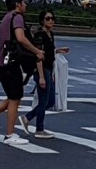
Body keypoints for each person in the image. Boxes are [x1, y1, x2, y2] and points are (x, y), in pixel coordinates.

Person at [0, 0, 41, 145]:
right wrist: (37, 51)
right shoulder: (17, 17)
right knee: (15, 98)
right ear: (17, 4)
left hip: (1, 64)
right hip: (9, 65)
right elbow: (21, 38)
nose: (26, 5)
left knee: (13, 97)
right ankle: (9, 135)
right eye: (24, 2)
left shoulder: (7, 17)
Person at [22, 10, 69, 138]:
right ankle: (39, 129)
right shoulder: (39, 35)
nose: (51, 20)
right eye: (48, 18)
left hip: (49, 69)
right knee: (44, 101)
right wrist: (41, 76)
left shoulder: (50, 34)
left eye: (52, 18)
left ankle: (28, 118)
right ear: (42, 20)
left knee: (49, 100)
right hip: (42, 70)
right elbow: (38, 56)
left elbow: (48, 52)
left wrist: (58, 50)